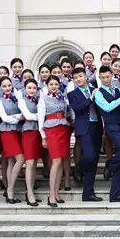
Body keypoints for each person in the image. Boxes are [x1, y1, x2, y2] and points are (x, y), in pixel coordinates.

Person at [93, 66, 120, 202]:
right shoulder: (98, 93)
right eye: (103, 77)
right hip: (111, 126)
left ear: (111, 76)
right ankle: (110, 165)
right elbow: (107, 107)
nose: (105, 79)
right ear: (99, 78)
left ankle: (115, 194)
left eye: (107, 77)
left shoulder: (117, 90)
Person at [67, 67, 104, 202]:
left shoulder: (95, 89)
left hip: (97, 126)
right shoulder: (72, 94)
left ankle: (88, 193)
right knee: (89, 155)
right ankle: (78, 168)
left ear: (85, 77)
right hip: (84, 128)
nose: (78, 79)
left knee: (94, 161)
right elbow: (78, 109)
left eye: (80, 76)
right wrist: (90, 98)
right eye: (75, 78)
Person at [37, 75, 72, 207]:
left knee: (61, 161)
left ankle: (57, 193)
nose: (54, 86)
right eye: (51, 84)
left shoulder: (63, 98)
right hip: (51, 131)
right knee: (56, 161)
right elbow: (41, 119)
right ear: (47, 86)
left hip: (63, 129)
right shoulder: (43, 99)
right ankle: (51, 195)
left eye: (56, 84)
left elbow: (68, 112)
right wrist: (43, 137)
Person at [0, 77, 25, 204]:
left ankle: (10, 192)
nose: (7, 88)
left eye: (9, 85)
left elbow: (23, 114)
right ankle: (10, 189)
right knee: (21, 158)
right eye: (4, 86)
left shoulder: (17, 98)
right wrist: (17, 118)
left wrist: (16, 117)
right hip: (7, 132)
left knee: (11, 161)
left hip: (18, 131)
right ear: (0, 87)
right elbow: (4, 118)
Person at [18, 78, 43, 206]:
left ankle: (31, 190)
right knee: (29, 162)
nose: (32, 90)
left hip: (38, 131)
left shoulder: (40, 100)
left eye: (34, 88)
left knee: (34, 162)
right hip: (28, 131)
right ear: (25, 89)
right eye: (29, 88)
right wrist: (41, 116)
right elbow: (28, 116)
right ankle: (29, 193)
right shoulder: (22, 101)